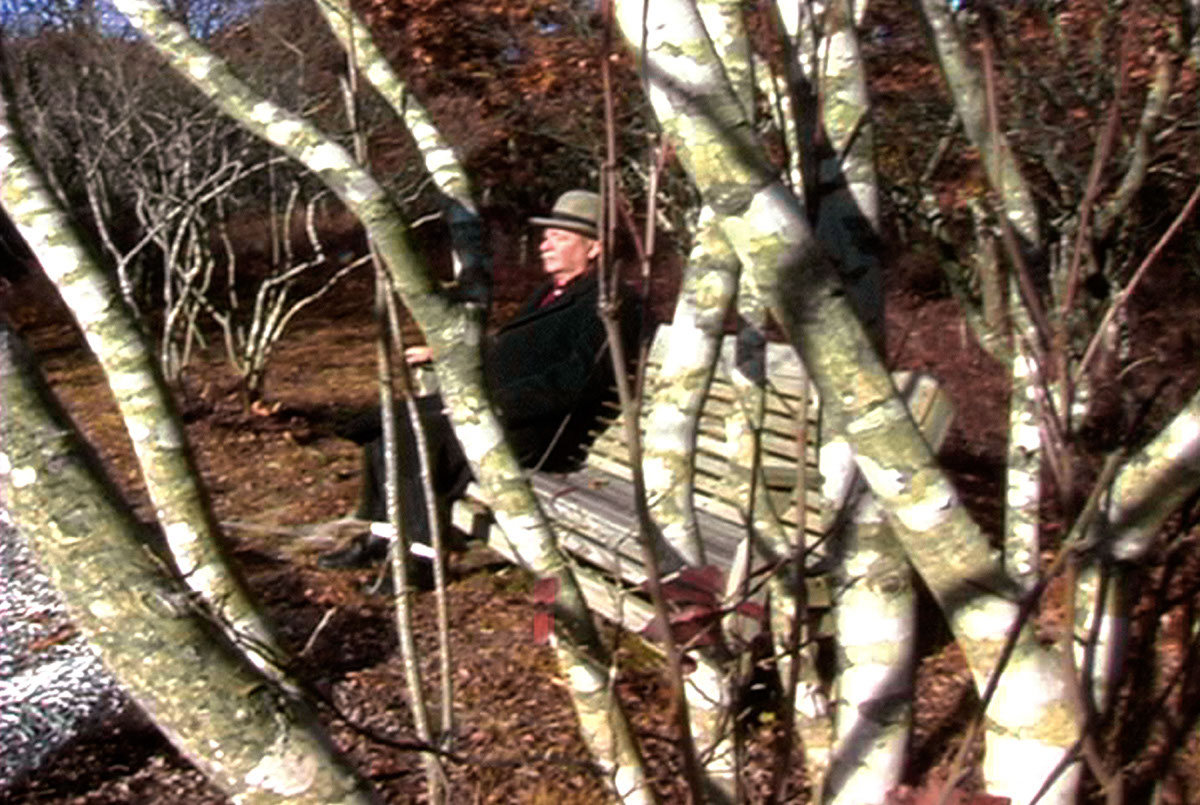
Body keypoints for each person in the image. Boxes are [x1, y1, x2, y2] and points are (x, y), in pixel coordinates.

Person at [323, 190, 641, 573]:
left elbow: (576, 382)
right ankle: (382, 534)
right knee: (383, 422)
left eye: (559, 238)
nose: (545, 245)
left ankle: (421, 560)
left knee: (416, 436)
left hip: (538, 428)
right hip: (497, 407)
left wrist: (494, 405)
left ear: (594, 249)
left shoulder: (609, 304)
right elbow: (513, 349)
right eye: (546, 236)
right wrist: (448, 355)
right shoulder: (552, 292)